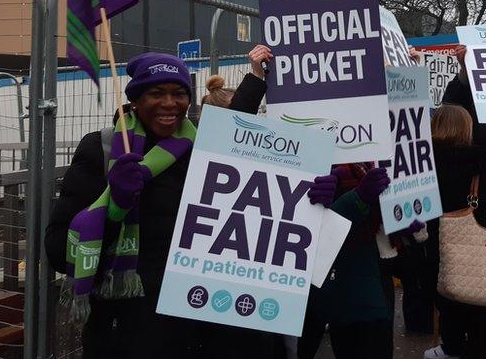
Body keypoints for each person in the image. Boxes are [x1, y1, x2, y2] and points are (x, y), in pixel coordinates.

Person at [44, 47, 316, 358]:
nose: (169, 103)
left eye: (179, 93)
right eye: (156, 93)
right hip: (131, 330)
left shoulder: (203, 145)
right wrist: (114, 207)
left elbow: (239, 128)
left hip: (205, 324)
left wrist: (310, 196)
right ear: (135, 98)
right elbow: (56, 249)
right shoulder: (102, 149)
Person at [425, 104, 486, 359]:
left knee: (451, 329)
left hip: (437, 260)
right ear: (468, 129)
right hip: (481, 266)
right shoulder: (481, 165)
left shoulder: (420, 165)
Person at [297, 163, 393, 359]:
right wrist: (355, 199)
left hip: (362, 286)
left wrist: (404, 223)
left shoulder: (371, 162)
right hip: (300, 288)